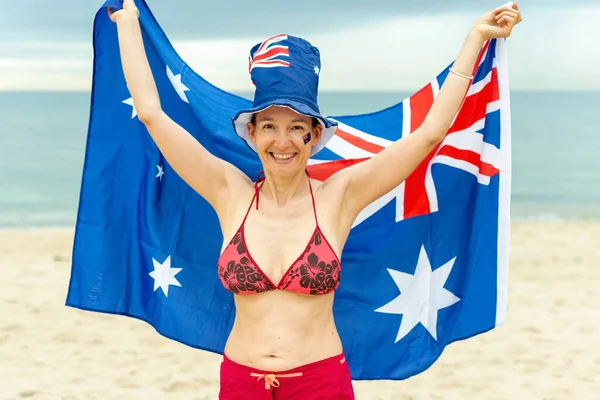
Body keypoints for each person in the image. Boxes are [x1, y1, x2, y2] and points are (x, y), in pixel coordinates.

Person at [107, 1, 522, 398]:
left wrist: (474, 41)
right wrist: (128, 26)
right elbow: (151, 114)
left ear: (313, 135)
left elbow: (429, 135)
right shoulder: (227, 191)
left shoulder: (341, 195)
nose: (282, 141)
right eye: (269, 125)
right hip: (240, 383)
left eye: (296, 127)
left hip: (320, 383)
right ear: (251, 134)